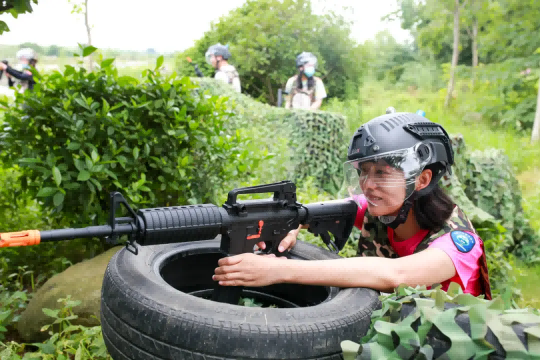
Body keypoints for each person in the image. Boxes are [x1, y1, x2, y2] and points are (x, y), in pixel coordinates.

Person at [213, 111, 492, 299]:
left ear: (422, 179)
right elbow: (318, 210)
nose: (368, 184)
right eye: (363, 171)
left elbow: (397, 275)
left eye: (382, 173)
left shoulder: (457, 242)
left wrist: (277, 271)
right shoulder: (379, 206)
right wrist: (291, 223)